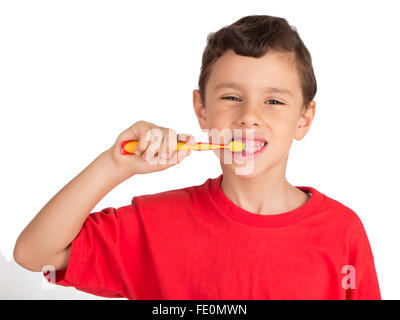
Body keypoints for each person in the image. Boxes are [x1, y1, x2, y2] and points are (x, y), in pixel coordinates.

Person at [13, 15, 381, 300]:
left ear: (304, 119)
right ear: (202, 110)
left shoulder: (342, 231)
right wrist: (115, 164)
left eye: (273, 101)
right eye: (231, 97)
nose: (249, 116)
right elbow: (34, 254)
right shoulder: (154, 224)